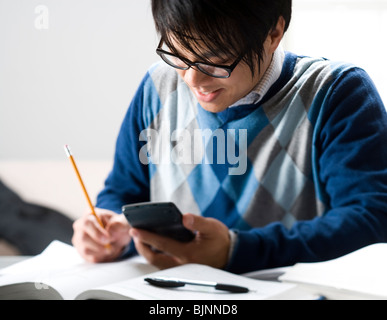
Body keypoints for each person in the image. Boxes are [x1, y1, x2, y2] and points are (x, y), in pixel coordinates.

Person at [72, 0, 387, 274]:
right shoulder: (158, 86)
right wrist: (108, 231)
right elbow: (123, 191)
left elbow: (371, 221)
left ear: (274, 33)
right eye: (177, 53)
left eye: (214, 58)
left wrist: (236, 250)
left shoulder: (337, 93)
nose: (194, 79)